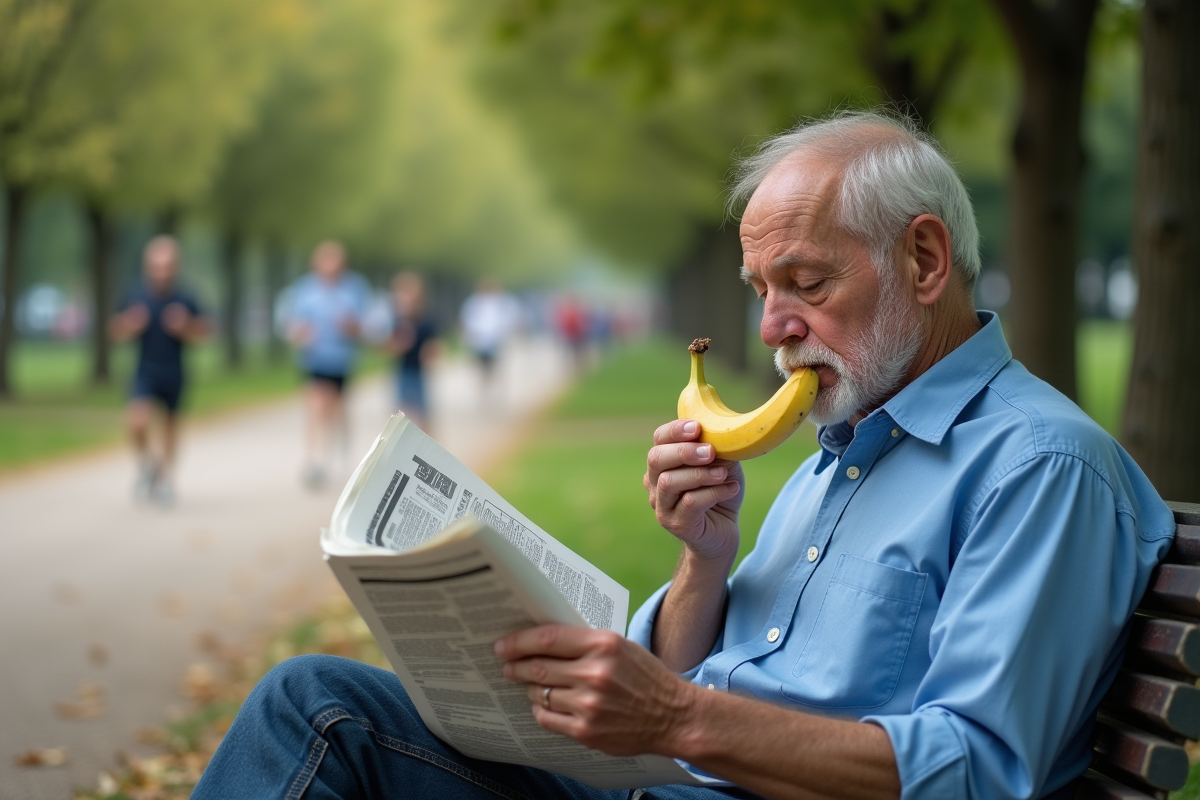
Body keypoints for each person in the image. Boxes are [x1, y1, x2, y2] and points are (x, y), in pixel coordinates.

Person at [192, 111, 1174, 800]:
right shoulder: (847, 446)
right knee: (320, 704)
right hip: (661, 785)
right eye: (760, 288)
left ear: (924, 260)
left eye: (806, 282)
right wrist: (703, 559)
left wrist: (677, 721)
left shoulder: (1041, 467)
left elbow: (980, 770)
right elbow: (701, 677)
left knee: (320, 717)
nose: (774, 326)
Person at [108, 235, 210, 506]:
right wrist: (130, 324)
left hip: (175, 370)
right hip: (145, 370)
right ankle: (148, 466)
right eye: (157, 266)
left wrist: (186, 326)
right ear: (147, 267)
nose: (162, 272)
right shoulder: (135, 294)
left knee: (170, 427)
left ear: (175, 267)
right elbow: (114, 330)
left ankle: (165, 480)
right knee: (136, 422)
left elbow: (205, 332)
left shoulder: (186, 296)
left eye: (167, 266)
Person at [286, 241, 371, 490]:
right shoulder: (305, 289)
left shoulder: (355, 288)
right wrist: (300, 333)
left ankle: (333, 450)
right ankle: (314, 460)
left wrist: (352, 327)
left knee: (335, 408)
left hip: (342, 359)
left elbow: (368, 325)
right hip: (313, 358)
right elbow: (291, 323)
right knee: (316, 405)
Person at [386, 271, 440, 430]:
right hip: (402, 370)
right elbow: (389, 346)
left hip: (418, 372)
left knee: (422, 414)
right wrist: (398, 344)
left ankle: (427, 441)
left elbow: (433, 346)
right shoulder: (397, 319)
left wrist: (429, 352)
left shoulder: (425, 319)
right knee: (401, 413)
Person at [460, 277, 522, 396]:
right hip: (478, 341)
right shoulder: (473, 303)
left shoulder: (501, 302)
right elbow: (466, 319)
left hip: (495, 340)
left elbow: (511, 317)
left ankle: (495, 388)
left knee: (495, 365)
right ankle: (484, 387)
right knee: (482, 366)